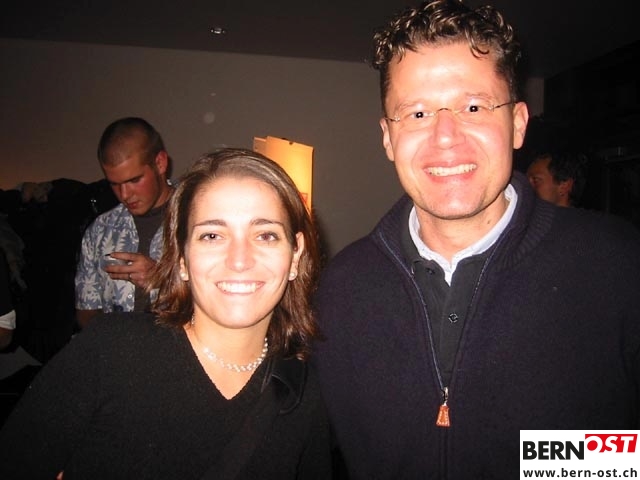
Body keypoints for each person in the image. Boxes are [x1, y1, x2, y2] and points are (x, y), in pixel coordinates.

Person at [312, 1, 640, 479]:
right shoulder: (341, 290)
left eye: (473, 107)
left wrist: (546, 460)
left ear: (518, 123)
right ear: (387, 137)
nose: (445, 136)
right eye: (417, 112)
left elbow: (626, 455)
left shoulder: (618, 266)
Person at [0, 148, 333, 479]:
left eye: (266, 235)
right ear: (182, 259)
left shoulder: (304, 392)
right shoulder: (110, 351)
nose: (239, 260)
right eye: (212, 236)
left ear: (295, 255)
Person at [75, 117, 174, 328]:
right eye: (114, 184)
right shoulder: (100, 230)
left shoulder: (198, 222)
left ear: (160, 163)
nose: (125, 194)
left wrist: (164, 279)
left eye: (134, 180)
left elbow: (223, 302)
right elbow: (86, 309)